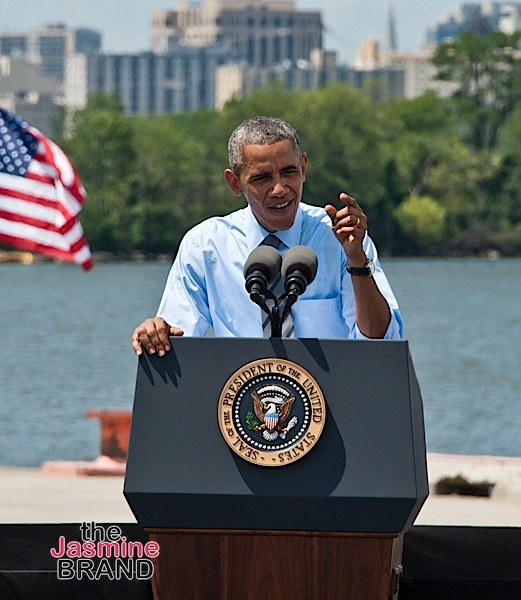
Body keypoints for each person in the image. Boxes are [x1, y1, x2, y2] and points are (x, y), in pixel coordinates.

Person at [131, 116, 402, 357]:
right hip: (240, 407)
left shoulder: (342, 238)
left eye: (289, 172)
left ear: (304, 167)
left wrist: (356, 260)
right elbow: (177, 337)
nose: (279, 189)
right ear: (235, 183)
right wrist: (155, 333)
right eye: (262, 178)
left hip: (335, 401)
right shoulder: (205, 245)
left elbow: (380, 341)